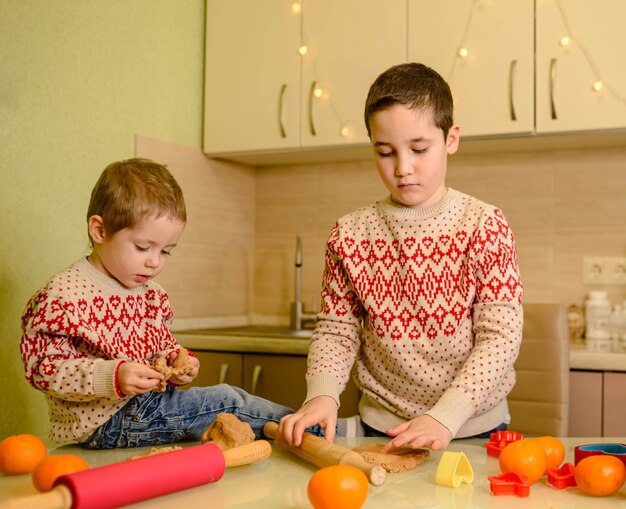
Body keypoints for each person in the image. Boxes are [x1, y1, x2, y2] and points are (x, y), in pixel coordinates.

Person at [278, 63, 524, 452]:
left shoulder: (484, 224)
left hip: (474, 427)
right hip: (382, 427)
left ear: (451, 139)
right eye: (385, 152)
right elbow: (336, 330)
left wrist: (445, 416)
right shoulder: (349, 234)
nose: (403, 168)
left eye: (419, 149)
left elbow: (501, 338)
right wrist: (321, 395)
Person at [20, 158, 293, 448]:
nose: (154, 262)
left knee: (225, 417)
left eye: (166, 251)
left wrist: (181, 364)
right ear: (99, 230)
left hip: (145, 407)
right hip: (104, 422)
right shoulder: (63, 295)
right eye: (142, 247)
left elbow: (161, 350)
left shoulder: (152, 294)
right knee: (227, 402)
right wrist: (113, 377)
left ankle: (309, 427)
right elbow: (42, 369)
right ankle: (316, 429)